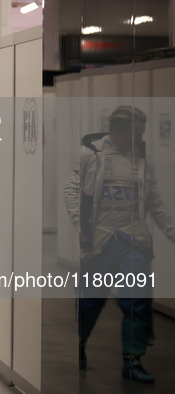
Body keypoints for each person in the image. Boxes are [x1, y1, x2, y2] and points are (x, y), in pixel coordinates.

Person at [64, 105, 175, 383]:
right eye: (135, 134)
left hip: (132, 239)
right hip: (101, 240)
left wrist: (172, 231)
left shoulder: (141, 159)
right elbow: (71, 189)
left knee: (136, 301)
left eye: (142, 134)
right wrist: (80, 224)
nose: (139, 140)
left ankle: (132, 361)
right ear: (116, 131)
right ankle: (80, 342)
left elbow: (154, 201)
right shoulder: (92, 154)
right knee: (90, 303)